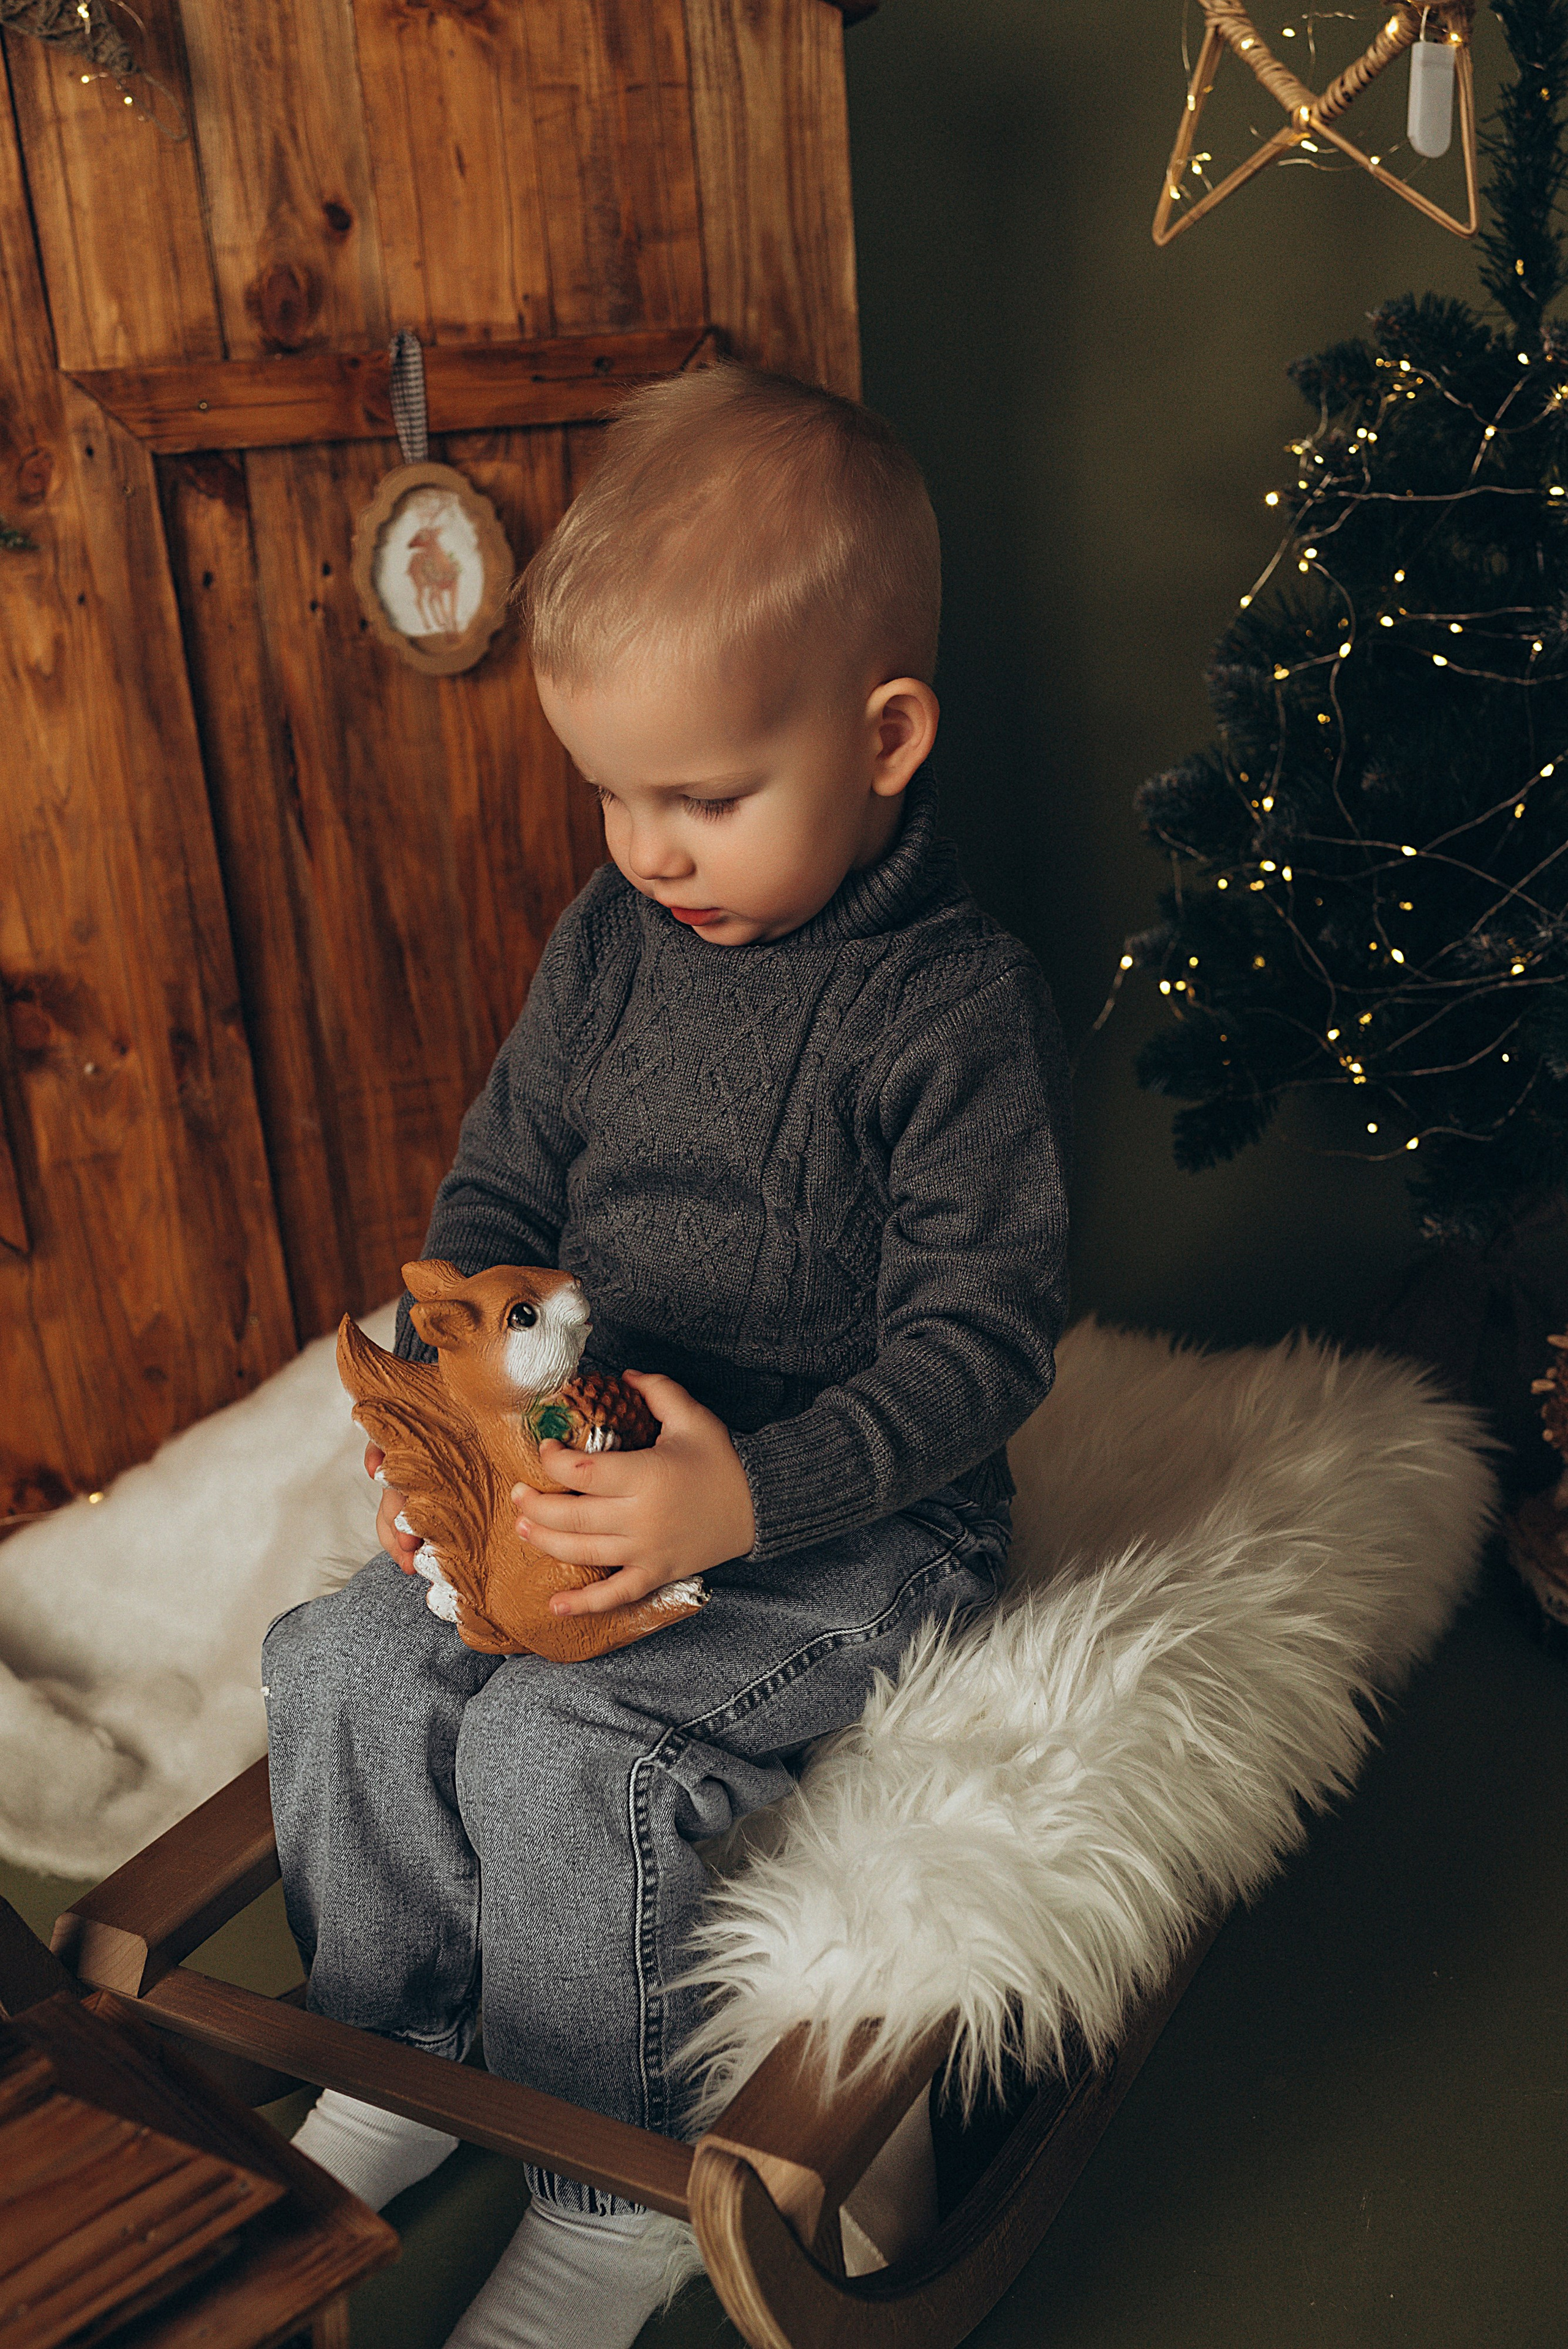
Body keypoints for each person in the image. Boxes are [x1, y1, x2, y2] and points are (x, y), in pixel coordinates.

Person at [261, 361, 1071, 2349]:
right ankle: (395, 2041)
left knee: (563, 1743)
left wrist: (746, 1492)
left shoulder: (953, 1007)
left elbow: (987, 1338)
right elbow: (513, 1162)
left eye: (705, 797)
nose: (649, 846)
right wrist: (465, 1355)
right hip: (592, 1446)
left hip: (857, 1517)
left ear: (885, 740)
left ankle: (603, 2176)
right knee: (348, 1657)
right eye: (614, 794)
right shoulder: (616, 941)